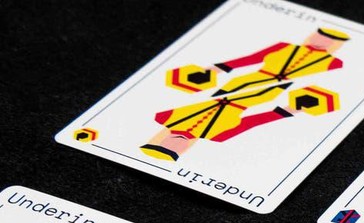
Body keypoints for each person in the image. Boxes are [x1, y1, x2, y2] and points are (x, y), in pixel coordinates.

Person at [140, 28, 348, 161]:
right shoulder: (218, 136)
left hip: (267, 89)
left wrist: (214, 70)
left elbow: (249, 60)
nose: (174, 144)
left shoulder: (163, 116)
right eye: (173, 149)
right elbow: (252, 120)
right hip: (245, 85)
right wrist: (288, 111)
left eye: (166, 146)